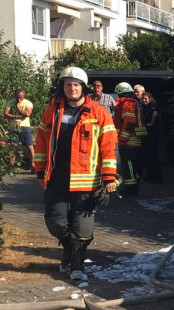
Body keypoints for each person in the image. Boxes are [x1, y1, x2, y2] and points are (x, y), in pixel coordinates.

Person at [34, 66, 118, 276]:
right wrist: (39, 170)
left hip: (86, 181)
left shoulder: (99, 113)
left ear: (84, 87)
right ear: (62, 87)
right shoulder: (51, 112)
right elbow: (42, 143)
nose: (72, 88)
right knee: (55, 221)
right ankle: (69, 247)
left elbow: (109, 147)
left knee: (82, 227)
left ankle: (77, 264)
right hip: (57, 178)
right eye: (68, 85)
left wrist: (109, 177)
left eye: (76, 85)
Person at [113, 82, 147, 196]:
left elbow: (129, 123)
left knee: (128, 167)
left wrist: (122, 139)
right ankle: (132, 188)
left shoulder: (127, 103)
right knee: (133, 166)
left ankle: (130, 190)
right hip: (134, 140)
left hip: (129, 141)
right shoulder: (135, 102)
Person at [3, 88, 34, 170]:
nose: (18, 98)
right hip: (13, 126)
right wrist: (16, 116)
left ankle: (33, 165)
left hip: (25, 126)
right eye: (17, 97)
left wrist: (18, 106)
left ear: (24, 95)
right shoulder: (10, 102)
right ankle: (11, 166)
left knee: (29, 146)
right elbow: (6, 113)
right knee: (13, 146)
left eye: (20, 97)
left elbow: (27, 114)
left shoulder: (28, 103)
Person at [141, 91, 163, 183]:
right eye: (143, 99)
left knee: (152, 156)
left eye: (146, 99)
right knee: (147, 156)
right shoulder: (145, 107)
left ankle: (157, 178)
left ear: (150, 99)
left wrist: (151, 123)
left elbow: (155, 114)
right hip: (147, 134)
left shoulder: (152, 106)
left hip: (152, 134)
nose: (144, 100)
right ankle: (150, 176)